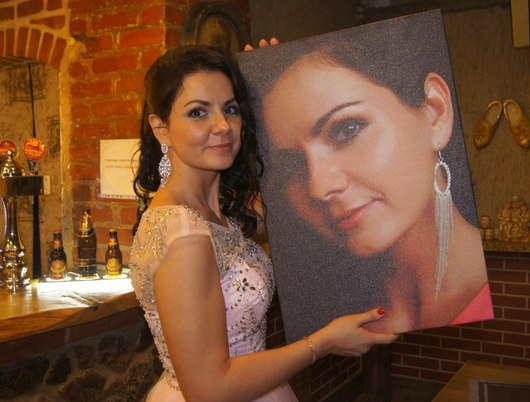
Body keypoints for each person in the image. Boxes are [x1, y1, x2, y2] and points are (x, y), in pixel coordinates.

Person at [129, 44, 398, 401]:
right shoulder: (183, 234)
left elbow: (286, 194)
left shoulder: (222, 212)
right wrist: (322, 343)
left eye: (230, 109)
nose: (222, 126)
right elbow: (209, 390)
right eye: (198, 112)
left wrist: (268, 79)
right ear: (161, 129)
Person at [238, 12, 493, 335]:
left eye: (346, 129)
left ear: (435, 112)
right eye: (291, 164)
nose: (318, 187)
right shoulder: (332, 315)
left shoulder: (501, 298)